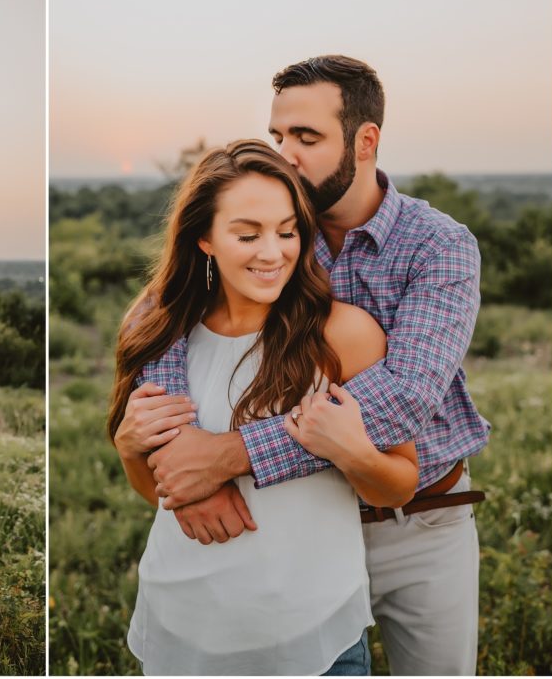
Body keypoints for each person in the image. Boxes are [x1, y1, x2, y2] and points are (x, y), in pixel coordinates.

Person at [143, 56, 489, 675]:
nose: (287, 154)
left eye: (306, 137)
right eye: (278, 135)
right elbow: (165, 307)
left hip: (417, 522)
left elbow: (404, 399)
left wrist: (227, 456)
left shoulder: (438, 245)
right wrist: (177, 453)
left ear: (365, 141)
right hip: (293, 525)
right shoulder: (276, 232)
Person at [110, 140, 419, 675]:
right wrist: (129, 449)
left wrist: (351, 452)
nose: (272, 253)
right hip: (181, 627)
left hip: (315, 636)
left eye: (287, 231)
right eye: (248, 235)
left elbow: (397, 485)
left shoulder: (344, 334)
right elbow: (155, 492)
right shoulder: (162, 334)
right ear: (205, 238)